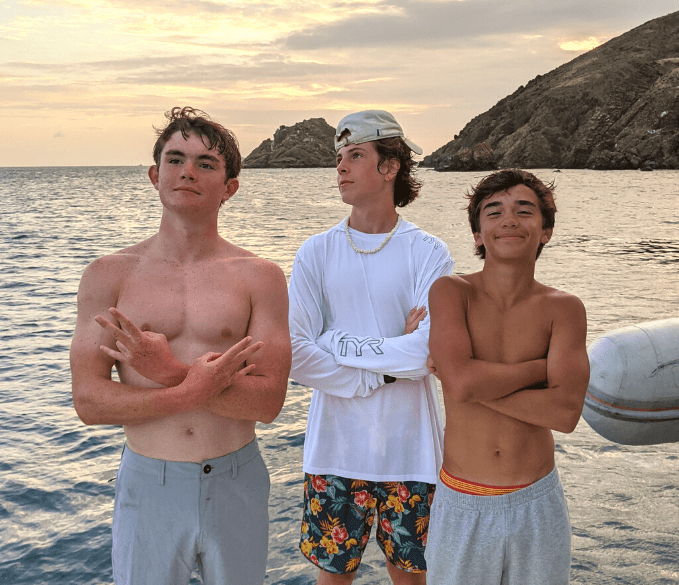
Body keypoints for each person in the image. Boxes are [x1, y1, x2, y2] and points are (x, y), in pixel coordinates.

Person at [69, 107, 291, 585]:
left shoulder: (261, 278)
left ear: (229, 186)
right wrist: (189, 389)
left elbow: (270, 401)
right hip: (150, 481)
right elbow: (88, 401)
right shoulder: (110, 274)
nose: (187, 171)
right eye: (175, 159)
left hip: (237, 479)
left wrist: (167, 370)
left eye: (206, 164)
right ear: (155, 175)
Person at [289, 110, 454, 585]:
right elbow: (296, 353)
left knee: (411, 578)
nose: (340, 167)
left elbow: (427, 352)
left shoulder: (428, 252)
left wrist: (334, 341)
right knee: (333, 579)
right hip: (334, 451)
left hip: (413, 451)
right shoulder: (315, 253)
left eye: (355, 155)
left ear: (390, 167)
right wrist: (383, 366)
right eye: (340, 157)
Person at [424, 168, 590, 584]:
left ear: (546, 231)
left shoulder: (564, 308)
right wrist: (539, 369)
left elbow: (565, 413)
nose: (509, 220)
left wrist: (465, 380)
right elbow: (461, 384)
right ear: (479, 234)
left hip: (536, 500)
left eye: (524, 210)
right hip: (463, 499)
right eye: (493, 211)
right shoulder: (450, 292)